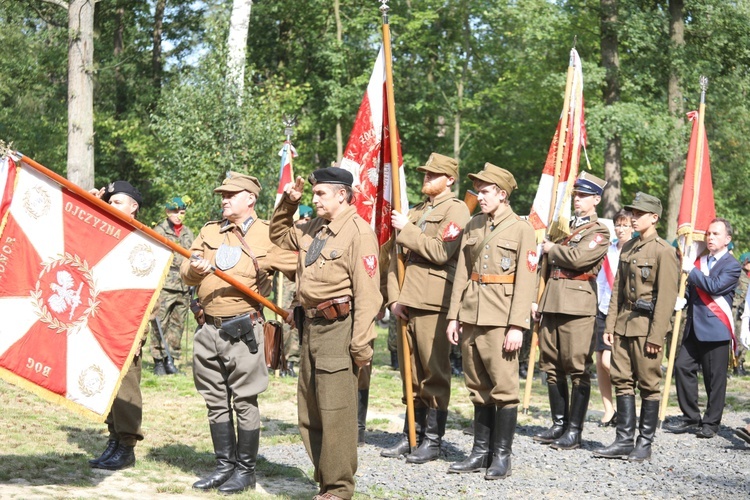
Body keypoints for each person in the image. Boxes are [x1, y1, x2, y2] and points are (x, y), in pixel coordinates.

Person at [270, 167, 382, 500]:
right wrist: (289, 203)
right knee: (310, 409)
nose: (314, 198)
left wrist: (361, 344)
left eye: (320, 193)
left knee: (336, 412)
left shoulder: (358, 233)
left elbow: (368, 295)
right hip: (310, 327)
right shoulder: (314, 228)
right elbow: (278, 234)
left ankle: (338, 488)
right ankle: (326, 481)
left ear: (342, 195)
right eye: (314, 193)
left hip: (339, 329)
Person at [181, 172, 296, 493]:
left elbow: (302, 265)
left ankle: (246, 471)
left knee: (244, 401)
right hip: (207, 328)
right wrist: (194, 268)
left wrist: (300, 305)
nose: (224, 199)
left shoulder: (269, 235)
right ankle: (223, 466)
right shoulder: (209, 231)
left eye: (232, 194)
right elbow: (185, 273)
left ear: (251, 199)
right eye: (223, 194)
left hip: (243, 330)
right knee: (215, 401)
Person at [445, 163, 536, 480]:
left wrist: (517, 325)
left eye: (484, 191)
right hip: (470, 314)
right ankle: (480, 452)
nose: (479, 196)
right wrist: (453, 315)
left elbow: (526, 281)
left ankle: (502, 456)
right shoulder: (473, 226)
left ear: (501, 194)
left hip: (501, 319)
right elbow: (461, 274)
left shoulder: (522, 229)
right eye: (478, 191)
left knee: (504, 389)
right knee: (478, 388)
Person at [381, 152, 470, 463]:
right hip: (408, 299)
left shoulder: (456, 210)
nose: (426, 179)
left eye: (434, 175)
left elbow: (441, 251)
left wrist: (408, 228)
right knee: (411, 371)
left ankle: (432, 440)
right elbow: (396, 257)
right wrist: (394, 298)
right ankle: (412, 434)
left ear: (450, 180)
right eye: (425, 174)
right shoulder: (418, 211)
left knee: (433, 372)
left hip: (434, 301)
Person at [593, 192, 679, 462]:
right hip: (622, 325)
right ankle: (623, 439)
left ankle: (644, 442)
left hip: (646, 328)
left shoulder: (663, 251)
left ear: (654, 218)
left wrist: (656, 335)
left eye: (639, 213)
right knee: (621, 380)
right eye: (632, 212)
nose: (633, 217)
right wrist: (610, 325)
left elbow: (666, 299)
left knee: (649, 384)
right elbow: (618, 289)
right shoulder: (628, 247)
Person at [532, 172, 610, 450]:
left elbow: (579, 259)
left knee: (577, 368)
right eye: (576, 195)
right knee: (551, 366)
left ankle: (574, 430)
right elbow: (544, 267)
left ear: (596, 200)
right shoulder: (562, 227)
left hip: (577, 306)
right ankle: (559, 424)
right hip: (551, 301)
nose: (578, 199)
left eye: (584, 196)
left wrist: (552, 248)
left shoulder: (599, 231)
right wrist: (536, 299)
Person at [665, 218, 741, 439]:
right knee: (682, 367)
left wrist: (692, 271)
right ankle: (690, 416)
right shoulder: (700, 261)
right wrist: (683, 298)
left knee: (714, 378)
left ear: (727, 239)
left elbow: (714, 286)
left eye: (716, 234)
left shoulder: (732, 265)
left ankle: (711, 422)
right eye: (708, 233)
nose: (710, 237)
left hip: (716, 327)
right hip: (694, 326)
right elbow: (693, 289)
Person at [87, 181, 145, 471]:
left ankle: (127, 446)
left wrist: (139, 331)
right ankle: (114, 440)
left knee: (126, 389)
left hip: (129, 325)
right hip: (104, 324)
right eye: (109, 202)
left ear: (134, 206)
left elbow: (150, 291)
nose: (112, 207)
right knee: (110, 386)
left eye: (118, 202)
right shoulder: (109, 234)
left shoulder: (144, 240)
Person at [594, 209, 633, 426]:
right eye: (618, 224)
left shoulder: (636, 250)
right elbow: (600, 280)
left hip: (623, 313)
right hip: (603, 309)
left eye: (626, 225)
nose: (621, 229)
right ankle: (609, 409)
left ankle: (626, 403)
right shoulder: (608, 251)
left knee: (611, 362)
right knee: (600, 361)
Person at [150, 196, 194, 375]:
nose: (178, 216)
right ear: (167, 212)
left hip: (183, 284)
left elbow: (193, 257)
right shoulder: (159, 231)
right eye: (175, 212)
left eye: (182, 212)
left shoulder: (189, 233)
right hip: (165, 282)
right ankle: (158, 360)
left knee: (177, 324)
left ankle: (171, 359)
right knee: (160, 321)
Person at [731, 252, 750, 376]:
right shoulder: (738, 275)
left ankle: (741, 363)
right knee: (737, 339)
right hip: (737, 310)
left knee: (744, 338)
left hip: (746, 311)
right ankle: (736, 366)